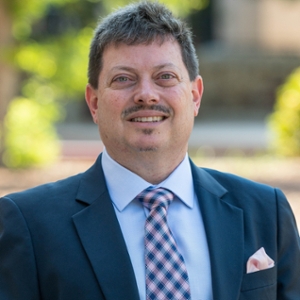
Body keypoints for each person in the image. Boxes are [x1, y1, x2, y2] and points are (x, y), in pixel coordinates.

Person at [0, 1, 299, 299]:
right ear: (94, 103)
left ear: (195, 96)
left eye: (165, 77)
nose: (146, 95)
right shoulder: (28, 224)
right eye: (123, 79)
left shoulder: (265, 212)